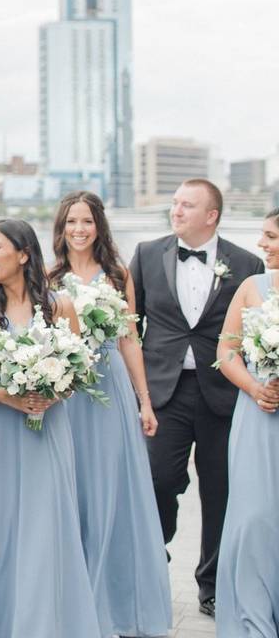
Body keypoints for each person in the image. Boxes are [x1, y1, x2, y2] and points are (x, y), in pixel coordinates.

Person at [0, 218, 99, 637]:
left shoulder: (61, 306)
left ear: (23, 253)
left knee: (44, 534)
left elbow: (79, 371)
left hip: (46, 433)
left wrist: (52, 393)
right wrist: (8, 396)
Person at [129, 178, 264, 618]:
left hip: (224, 393)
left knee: (221, 490)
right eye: (174, 203)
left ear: (212, 215)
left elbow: (254, 333)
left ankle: (212, 585)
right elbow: (133, 327)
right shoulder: (147, 255)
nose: (176, 211)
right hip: (165, 392)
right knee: (157, 481)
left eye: (187, 205)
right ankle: (153, 562)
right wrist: (140, 395)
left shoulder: (247, 263)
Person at [48, 191, 172, 636]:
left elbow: (129, 340)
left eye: (87, 221)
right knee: (71, 490)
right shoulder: (48, 276)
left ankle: (112, 602)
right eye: (71, 222)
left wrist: (144, 400)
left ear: (99, 226)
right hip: (67, 392)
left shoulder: (118, 275)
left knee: (110, 491)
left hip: (109, 390)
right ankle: (73, 603)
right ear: (61, 228)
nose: (79, 230)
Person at [214, 207, 279, 636]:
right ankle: (255, 620)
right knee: (255, 517)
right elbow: (226, 351)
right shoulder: (252, 287)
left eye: (271, 237)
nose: (262, 244)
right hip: (258, 418)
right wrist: (256, 389)